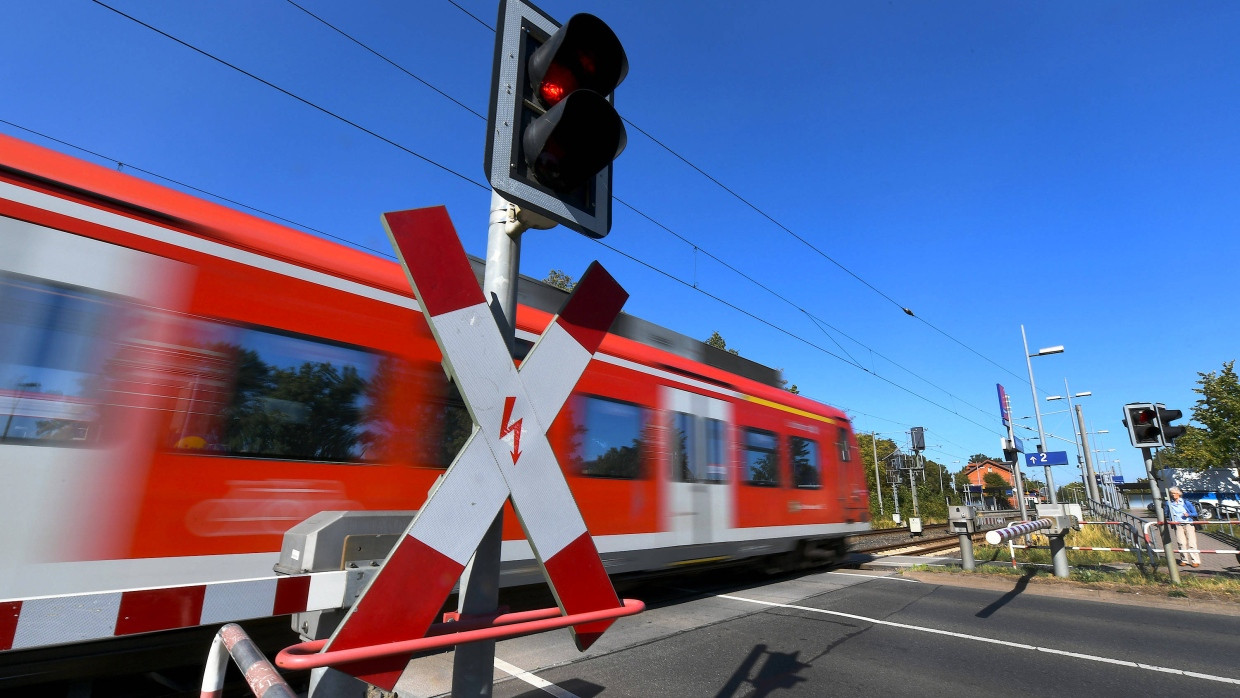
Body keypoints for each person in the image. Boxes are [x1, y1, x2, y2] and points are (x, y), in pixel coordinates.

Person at [1165, 487, 1201, 568]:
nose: (1173, 495)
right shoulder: (1169, 503)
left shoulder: (1186, 502)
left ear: (1179, 494)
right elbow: (1166, 513)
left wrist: (1189, 514)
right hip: (1177, 524)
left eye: (1174, 493)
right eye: (1172, 493)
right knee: (1181, 543)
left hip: (1188, 524)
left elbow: (1195, 513)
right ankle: (1184, 560)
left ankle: (1195, 560)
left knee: (1192, 543)